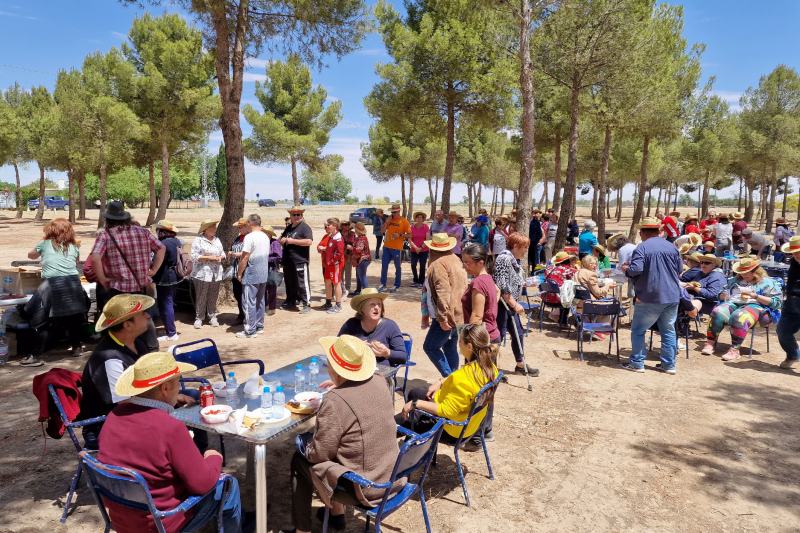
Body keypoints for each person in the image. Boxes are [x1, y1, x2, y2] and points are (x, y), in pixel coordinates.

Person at [98, 351, 242, 533]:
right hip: (160, 523)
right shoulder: (169, 427)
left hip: (123, 520)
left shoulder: (113, 417)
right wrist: (214, 457)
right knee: (229, 484)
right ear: (165, 388)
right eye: (178, 382)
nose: (179, 389)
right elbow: (203, 484)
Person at [287, 335, 398, 533]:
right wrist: (340, 387)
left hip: (367, 487)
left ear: (333, 367)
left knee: (299, 459)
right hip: (393, 475)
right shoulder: (380, 380)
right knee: (341, 445)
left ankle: (302, 530)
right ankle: (337, 516)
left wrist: (307, 445)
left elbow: (319, 455)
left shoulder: (335, 400)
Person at [398, 323, 499, 450]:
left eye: (460, 341)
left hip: (453, 431)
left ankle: (392, 434)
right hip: (471, 425)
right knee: (415, 392)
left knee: (406, 416)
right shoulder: (489, 368)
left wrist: (415, 404)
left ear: (469, 346)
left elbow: (446, 411)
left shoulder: (463, 378)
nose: (459, 343)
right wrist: (440, 382)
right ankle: (411, 438)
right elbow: (459, 377)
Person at [78, 294, 154, 450]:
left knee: (192, 400)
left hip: (138, 412)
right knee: (173, 427)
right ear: (127, 325)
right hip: (107, 426)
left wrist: (172, 395)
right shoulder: (109, 358)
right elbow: (124, 404)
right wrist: (164, 403)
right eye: (142, 313)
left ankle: (195, 461)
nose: (148, 315)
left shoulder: (138, 343)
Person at [90, 201, 164, 351]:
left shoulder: (105, 235)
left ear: (108, 219)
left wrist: (102, 278)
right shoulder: (142, 232)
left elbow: (96, 257)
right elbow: (161, 248)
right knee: (143, 318)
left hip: (119, 290)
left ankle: (123, 352)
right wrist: (154, 269)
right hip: (140, 286)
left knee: (120, 324)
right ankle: (151, 349)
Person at [621, 217, 683, 374]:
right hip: (672, 296)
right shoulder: (672, 247)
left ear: (642, 232)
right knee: (668, 330)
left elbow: (636, 270)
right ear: (659, 231)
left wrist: (626, 269)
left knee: (638, 330)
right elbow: (679, 269)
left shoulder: (642, 248)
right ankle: (669, 365)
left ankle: (637, 363)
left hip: (650, 296)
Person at [27, 218, 88, 357]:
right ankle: (76, 347)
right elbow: (76, 261)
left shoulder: (44, 243)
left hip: (52, 284)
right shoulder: (74, 246)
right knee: (74, 317)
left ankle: (35, 354)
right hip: (73, 282)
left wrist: (41, 249)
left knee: (40, 318)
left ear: (50, 230)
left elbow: (30, 255)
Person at [701, 257, 782, 361]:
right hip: (734, 302)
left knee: (739, 316)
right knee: (718, 311)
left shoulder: (768, 283)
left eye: (747, 272)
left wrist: (755, 296)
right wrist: (723, 295)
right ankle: (711, 342)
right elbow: (720, 294)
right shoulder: (734, 280)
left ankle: (735, 349)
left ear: (756, 271)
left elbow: (777, 303)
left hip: (758, 306)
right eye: (742, 272)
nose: (744, 275)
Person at [493, 232, 538, 376]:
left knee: (518, 333)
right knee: (497, 337)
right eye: (524, 247)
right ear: (516, 246)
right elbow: (502, 284)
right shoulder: (504, 259)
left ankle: (520, 364)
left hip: (511, 305)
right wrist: (514, 304)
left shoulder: (514, 260)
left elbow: (513, 280)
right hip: (502, 305)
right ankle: (491, 370)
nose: (526, 250)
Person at [422, 233, 468, 377]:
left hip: (448, 314)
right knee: (449, 346)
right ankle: (454, 377)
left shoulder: (438, 264)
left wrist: (443, 317)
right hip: (459, 313)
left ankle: (450, 379)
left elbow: (443, 291)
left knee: (430, 347)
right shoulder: (455, 259)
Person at [338, 288, 406, 366]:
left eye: (379, 304)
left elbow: (403, 357)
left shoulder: (390, 326)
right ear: (362, 308)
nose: (377, 307)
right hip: (354, 371)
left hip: (380, 374)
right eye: (372, 304)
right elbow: (337, 346)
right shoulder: (351, 324)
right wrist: (356, 347)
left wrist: (386, 352)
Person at [236, 214, 270, 338]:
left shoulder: (249, 237)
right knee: (260, 300)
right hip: (263, 273)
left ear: (250, 223)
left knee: (248, 301)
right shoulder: (265, 236)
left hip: (252, 273)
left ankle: (250, 329)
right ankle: (259, 325)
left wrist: (239, 273)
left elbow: (245, 257)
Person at [151, 220, 182, 342]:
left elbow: (158, 261)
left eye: (159, 230)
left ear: (163, 231)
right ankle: (170, 329)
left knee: (165, 305)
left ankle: (171, 333)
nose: (157, 233)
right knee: (169, 303)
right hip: (175, 276)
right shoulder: (176, 241)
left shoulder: (163, 244)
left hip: (165, 278)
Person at [461, 243, 500, 343]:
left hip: (481, 339)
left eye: (467, 263)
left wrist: (468, 340)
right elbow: (497, 291)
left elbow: (477, 316)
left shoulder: (478, 282)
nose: (464, 266)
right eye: (463, 262)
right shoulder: (488, 277)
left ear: (480, 263)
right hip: (491, 334)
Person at [190, 219, 224, 329]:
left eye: (215, 227)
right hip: (202, 273)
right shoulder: (198, 240)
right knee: (201, 296)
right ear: (205, 229)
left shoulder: (217, 240)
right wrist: (209, 257)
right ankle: (199, 318)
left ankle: (212, 316)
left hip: (216, 273)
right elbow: (194, 256)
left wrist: (220, 257)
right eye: (212, 227)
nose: (214, 229)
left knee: (213, 296)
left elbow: (222, 253)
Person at [281, 206, 314, 313]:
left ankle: (306, 304)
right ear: (290, 216)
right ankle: (291, 301)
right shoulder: (289, 227)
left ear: (302, 215)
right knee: (290, 282)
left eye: (298, 214)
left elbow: (309, 241)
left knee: (302, 282)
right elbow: (282, 238)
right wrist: (282, 240)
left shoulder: (304, 227)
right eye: (294, 215)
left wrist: (292, 241)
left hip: (299, 259)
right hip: (288, 260)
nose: (296, 216)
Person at [777, 236, 800, 369]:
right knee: (783, 331)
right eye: (794, 252)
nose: (796, 255)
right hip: (791, 303)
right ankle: (793, 355)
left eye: (799, 252)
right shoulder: (794, 262)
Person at [379, 204, 410, 292]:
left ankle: (396, 285)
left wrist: (400, 235)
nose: (393, 213)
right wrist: (386, 222)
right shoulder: (389, 220)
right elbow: (382, 231)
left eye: (395, 212)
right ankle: (383, 284)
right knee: (384, 266)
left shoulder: (404, 221)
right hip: (386, 247)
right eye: (392, 212)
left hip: (397, 248)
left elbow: (410, 235)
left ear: (399, 211)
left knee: (398, 267)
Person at [543, 251, 578, 324]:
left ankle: (560, 318)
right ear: (568, 260)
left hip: (546, 298)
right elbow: (577, 276)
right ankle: (564, 320)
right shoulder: (568, 270)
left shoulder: (549, 268)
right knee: (569, 294)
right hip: (559, 300)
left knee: (563, 290)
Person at [321, 217, 345, 314]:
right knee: (327, 282)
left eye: (328, 225)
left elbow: (339, 253)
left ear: (334, 226)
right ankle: (328, 302)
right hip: (329, 265)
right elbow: (330, 250)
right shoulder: (332, 236)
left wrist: (332, 261)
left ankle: (338, 305)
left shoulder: (338, 238)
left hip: (335, 265)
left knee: (336, 283)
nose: (327, 227)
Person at [228, 218, 250, 324]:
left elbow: (250, 252)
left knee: (246, 294)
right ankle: (241, 314)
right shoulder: (238, 238)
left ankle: (248, 317)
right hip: (236, 270)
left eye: (241, 227)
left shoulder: (250, 238)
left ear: (247, 227)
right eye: (239, 227)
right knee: (238, 293)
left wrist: (238, 254)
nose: (239, 229)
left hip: (247, 270)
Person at [409, 212, 430, 288]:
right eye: (418, 217)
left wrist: (420, 248)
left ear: (423, 219)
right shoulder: (411, 227)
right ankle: (415, 280)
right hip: (414, 250)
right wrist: (415, 248)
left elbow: (427, 239)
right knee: (413, 264)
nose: (419, 219)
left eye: (421, 217)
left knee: (422, 265)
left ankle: (421, 281)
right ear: (416, 218)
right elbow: (410, 239)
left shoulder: (426, 227)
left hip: (424, 250)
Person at [265, 226, 283, 316]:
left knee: (271, 288)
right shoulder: (261, 242)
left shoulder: (274, 242)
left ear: (270, 234)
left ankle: (272, 308)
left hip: (271, 267)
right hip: (262, 267)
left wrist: (267, 259)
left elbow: (279, 256)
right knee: (262, 288)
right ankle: (264, 306)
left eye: (266, 232)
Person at [351, 222, 371, 296]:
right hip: (362, 259)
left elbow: (358, 249)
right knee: (359, 275)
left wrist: (351, 248)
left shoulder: (361, 239)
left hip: (363, 260)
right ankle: (358, 290)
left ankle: (367, 293)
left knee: (362, 276)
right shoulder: (360, 237)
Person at [340, 220, 356, 295]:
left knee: (348, 273)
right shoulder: (338, 233)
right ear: (342, 225)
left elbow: (355, 244)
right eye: (344, 224)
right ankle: (341, 288)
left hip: (349, 256)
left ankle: (348, 288)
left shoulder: (352, 234)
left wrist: (351, 247)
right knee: (340, 273)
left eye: (347, 224)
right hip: (340, 256)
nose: (346, 226)